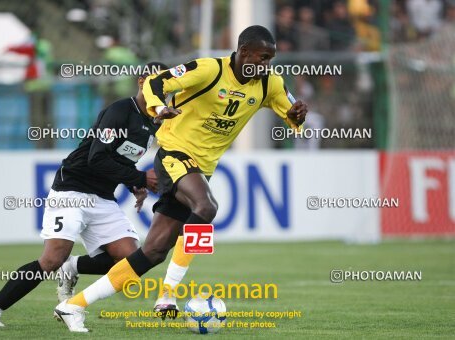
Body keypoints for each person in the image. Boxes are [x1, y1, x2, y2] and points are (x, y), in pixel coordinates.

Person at [54, 25, 307, 333]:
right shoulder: (208, 70)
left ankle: (73, 305)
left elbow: (290, 114)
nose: (266, 64)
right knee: (206, 206)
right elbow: (157, 82)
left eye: (271, 59)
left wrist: (297, 116)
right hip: (173, 154)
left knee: (153, 252)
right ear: (243, 52)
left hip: (201, 168)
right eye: (263, 57)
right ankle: (167, 297)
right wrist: (160, 106)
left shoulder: (270, 83)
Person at [0, 62, 168, 328]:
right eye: (155, 81)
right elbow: (97, 158)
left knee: (130, 260)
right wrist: (140, 177)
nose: (160, 88)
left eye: (165, 83)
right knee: (52, 259)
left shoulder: (154, 123)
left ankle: (72, 267)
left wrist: (135, 184)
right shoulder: (120, 111)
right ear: (141, 81)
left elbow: (121, 157)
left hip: (101, 196)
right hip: (72, 188)